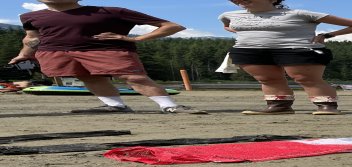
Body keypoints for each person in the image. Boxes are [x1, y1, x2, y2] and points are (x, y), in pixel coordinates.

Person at [9, 0, 206, 114]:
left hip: (107, 49)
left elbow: (172, 26)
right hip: (56, 51)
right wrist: (23, 55)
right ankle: (115, 106)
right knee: (87, 77)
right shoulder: (30, 17)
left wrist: (136, 39)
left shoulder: (110, 12)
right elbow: (31, 38)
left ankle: (170, 106)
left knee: (133, 76)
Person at [221, 0, 352, 115]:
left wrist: (327, 35)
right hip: (249, 51)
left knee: (305, 78)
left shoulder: (300, 14)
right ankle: (279, 106)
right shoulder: (227, 15)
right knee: (267, 79)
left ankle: (327, 106)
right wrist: (252, 33)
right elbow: (227, 25)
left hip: (297, 49)